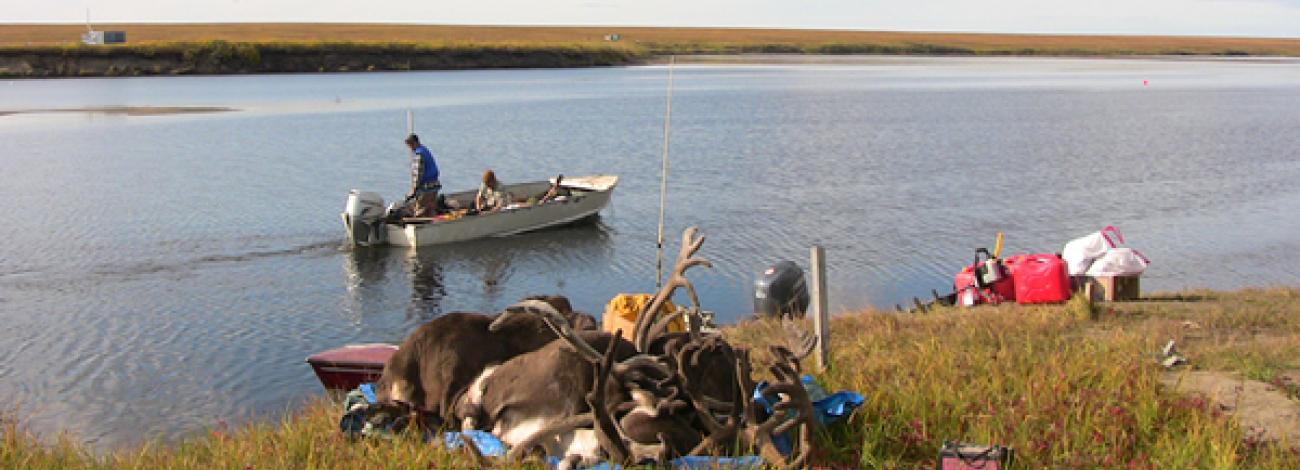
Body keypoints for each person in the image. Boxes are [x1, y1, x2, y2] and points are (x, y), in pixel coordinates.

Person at [405, 134, 440, 217]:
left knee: (420, 209)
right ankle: (434, 226)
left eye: (410, 146)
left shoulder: (419, 154)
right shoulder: (425, 150)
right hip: (434, 184)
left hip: (426, 187)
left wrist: (413, 189)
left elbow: (418, 174)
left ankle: (418, 227)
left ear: (414, 143)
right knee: (431, 208)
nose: (410, 149)